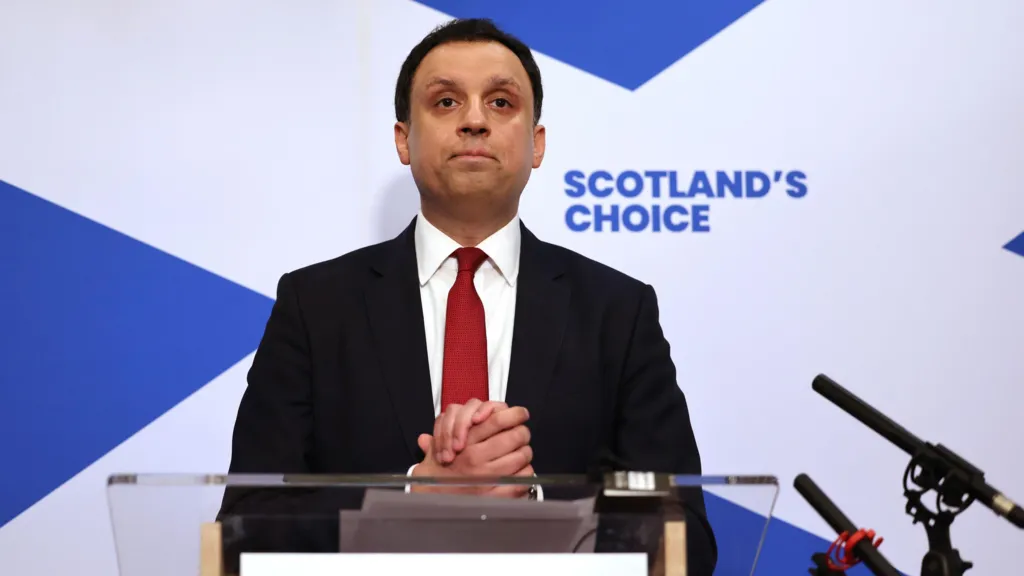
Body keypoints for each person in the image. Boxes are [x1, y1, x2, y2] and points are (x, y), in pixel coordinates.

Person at [219, 17, 716, 574]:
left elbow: (684, 538)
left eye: (501, 103)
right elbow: (243, 531)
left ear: (537, 144)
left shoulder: (617, 311)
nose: (476, 120)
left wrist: (529, 505)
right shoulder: (315, 306)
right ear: (403, 139)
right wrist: (415, 498)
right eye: (447, 102)